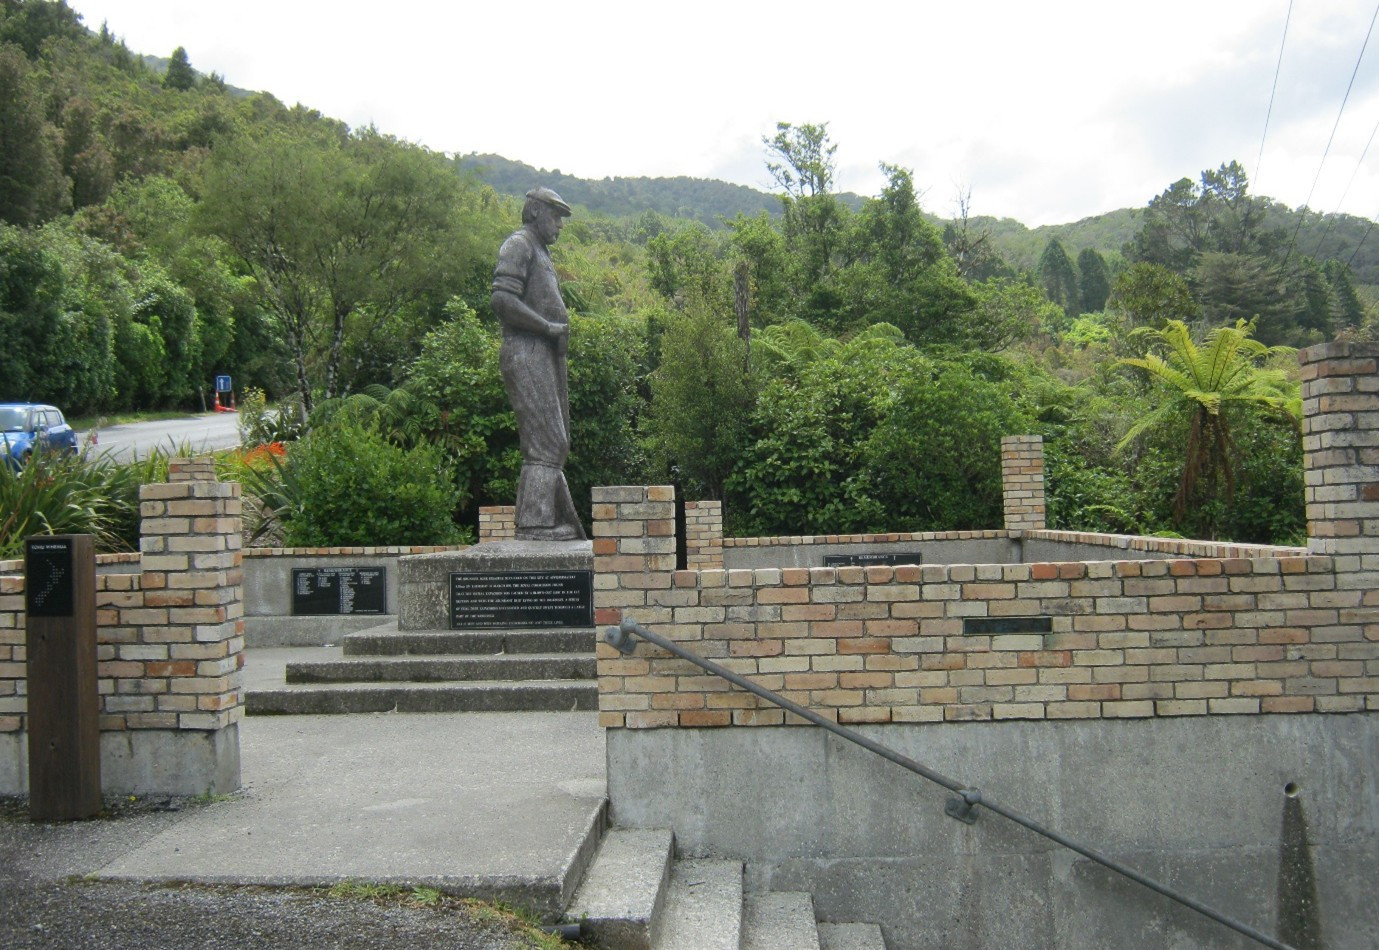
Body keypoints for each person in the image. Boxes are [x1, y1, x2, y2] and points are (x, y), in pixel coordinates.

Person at [490, 187, 586, 541]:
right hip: (526, 350)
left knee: (556, 441)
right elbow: (502, 299)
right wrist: (547, 327)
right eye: (555, 215)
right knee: (547, 442)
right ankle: (535, 524)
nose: (560, 224)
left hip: (544, 353)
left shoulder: (541, 251)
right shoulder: (518, 244)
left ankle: (545, 518)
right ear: (534, 212)